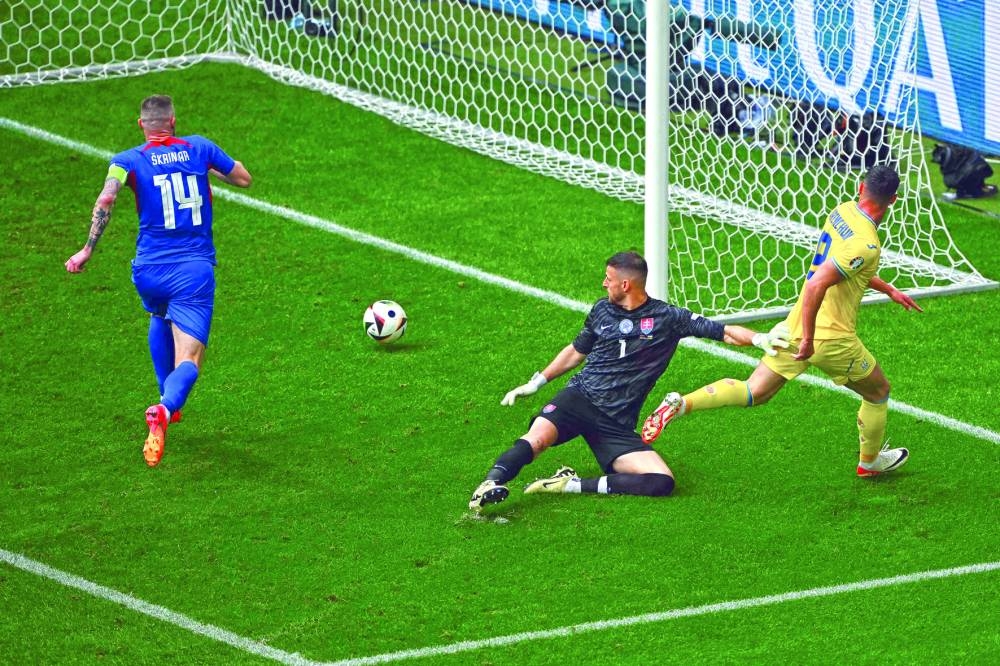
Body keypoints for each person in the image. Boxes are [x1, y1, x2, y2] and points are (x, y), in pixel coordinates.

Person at [640, 165, 921, 478]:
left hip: (795, 323)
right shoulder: (867, 244)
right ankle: (869, 463)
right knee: (878, 391)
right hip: (830, 338)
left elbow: (846, 270)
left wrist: (889, 288)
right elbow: (819, 284)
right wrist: (811, 340)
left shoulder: (841, 212)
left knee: (755, 392)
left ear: (859, 187)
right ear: (894, 199)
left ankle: (682, 403)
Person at [468, 251, 790, 511]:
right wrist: (536, 382)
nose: (603, 284)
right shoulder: (601, 311)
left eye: (608, 279)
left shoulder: (668, 318)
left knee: (661, 481)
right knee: (537, 439)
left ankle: (569, 485)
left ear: (626, 285)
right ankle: (490, 484)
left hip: (616, 423)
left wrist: (760, 338)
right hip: (579, 398)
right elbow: (576, 352)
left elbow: (724, 332)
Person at [65, 94, 252, 467]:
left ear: (141, 126)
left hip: (148, 270)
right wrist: (205, 167)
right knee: (192, 358)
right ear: (174, 122)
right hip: (193, 272)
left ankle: (168, 401)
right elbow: (243, 178)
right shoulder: (200, 147)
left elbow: (106, 199)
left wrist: (86, 250)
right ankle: (165, 409)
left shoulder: (126, 161)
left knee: (158, 315)